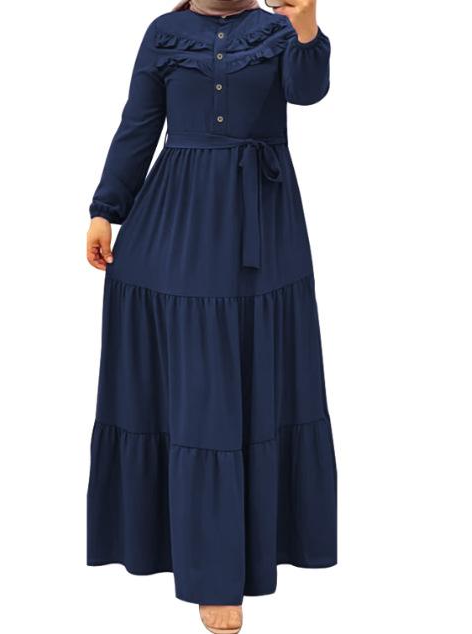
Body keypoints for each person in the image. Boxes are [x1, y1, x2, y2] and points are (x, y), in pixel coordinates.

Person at [85, 1, 337, 632]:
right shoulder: (164, 33)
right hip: (176, 228)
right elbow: (139, 124)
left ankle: (240, 560)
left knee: (251, 386)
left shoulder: (277, 29)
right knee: (199, 395)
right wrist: (106, 209)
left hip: (263, 229)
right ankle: (210, 575)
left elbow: (308, 91)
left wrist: (306, 25)